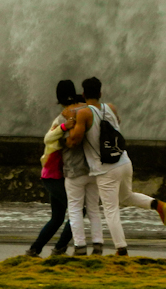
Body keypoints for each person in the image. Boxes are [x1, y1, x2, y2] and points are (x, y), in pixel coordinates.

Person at [66, 76, 166, 256]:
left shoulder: (84, 113)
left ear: (83, 94)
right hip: (123, 161)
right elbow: (117, 124)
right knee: (125, 196)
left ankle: (121, 249)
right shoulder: (111, 108)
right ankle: (157, 205)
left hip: (106, 168)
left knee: (110, 210)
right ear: (100, 93)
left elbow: (75, 140)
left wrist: (67, 133)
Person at [25, 80, 78, 257]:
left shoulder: (69, 113)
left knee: (57, 218)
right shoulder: (62, 119)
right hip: (52, 174)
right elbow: (48, 139)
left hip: (56, 174)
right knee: (80, 209)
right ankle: (60, 248)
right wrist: (64, 127)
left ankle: (34, 250)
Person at [59, 94, 104, 256]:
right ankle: (98, 244)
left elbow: (68, 141)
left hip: (74, 170)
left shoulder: (66, 116)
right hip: (94, 169)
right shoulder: (95, 114)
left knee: (75, 209)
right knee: (93, 208)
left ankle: (80, 246)